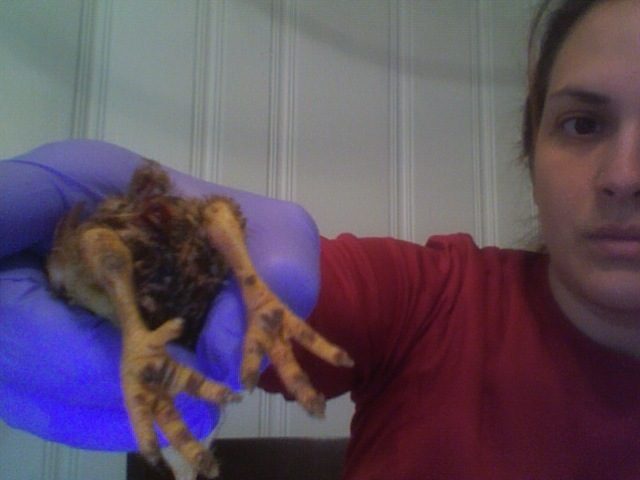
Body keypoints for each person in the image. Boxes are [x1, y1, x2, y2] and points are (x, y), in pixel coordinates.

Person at [1, 0, 639, 478]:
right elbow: (246, 281)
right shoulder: (434, 301)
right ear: (531, 152)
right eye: (583, 124)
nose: (623, 176)